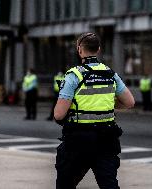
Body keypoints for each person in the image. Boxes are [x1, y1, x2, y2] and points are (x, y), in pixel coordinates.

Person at [54, 32, 135, 189]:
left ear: (79, 50)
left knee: (65, 184)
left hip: (78, 140)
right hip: (106, 139)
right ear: (98, 49)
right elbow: (129, 102)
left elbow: (59, 114)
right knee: (109, 185)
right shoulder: (110, 74)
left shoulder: (74, 75)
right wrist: (105, 103)